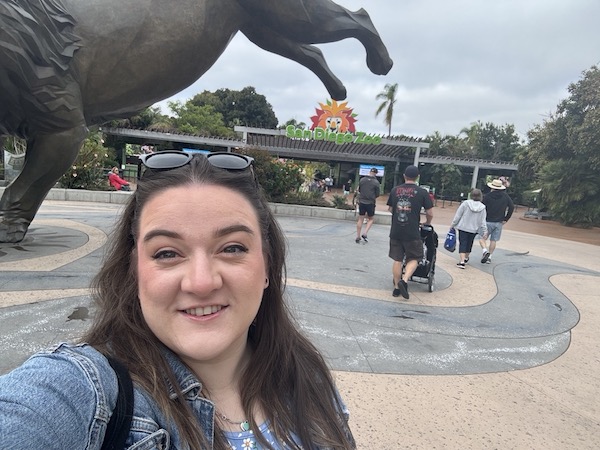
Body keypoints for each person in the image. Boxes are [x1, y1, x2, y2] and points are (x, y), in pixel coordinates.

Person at [0, 151, 355, 450]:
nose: (201, 282)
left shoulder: (309, 378)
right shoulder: (85, 390)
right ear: (134, 269)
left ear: (267, 266)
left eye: (232, 248)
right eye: (167, 253)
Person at [386, 165, 433, 299]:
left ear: (404, 176)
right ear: (417, 177)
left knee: (397, 259)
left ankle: (396, 288)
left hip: (396, 230)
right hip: (412, 231)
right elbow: (430, 212)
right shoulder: (422, 192)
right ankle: (405, 280)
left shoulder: (395, 190)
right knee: (415, 257)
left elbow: (390, 209)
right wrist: (427, 222)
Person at [479, 178, 515, 263]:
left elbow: (482, 208)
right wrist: (506, 218)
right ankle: (490, 257)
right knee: (493, 240)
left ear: (492, 187)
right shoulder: (505, 196)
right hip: (499, 222)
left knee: (482, 238)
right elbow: (512, 207)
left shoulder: (487, 196)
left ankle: (484, 251)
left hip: (487, 221)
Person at [451, 188, 488, 269]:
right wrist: (485, 231)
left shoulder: (465, 203)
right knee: (469, 243)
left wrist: (453, 224)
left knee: (463, 243)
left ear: (471, 195)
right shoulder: (482, 207)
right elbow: (483, 221)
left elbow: (458, 215)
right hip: (474, 228)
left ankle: (462, 261)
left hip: (463, 227)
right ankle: (466, 258)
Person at [355, 167, 380, 243]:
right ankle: (365, 233)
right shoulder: (376, 182)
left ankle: (358, 236)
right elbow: (377, 194)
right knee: (371, 219)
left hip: (361, 202)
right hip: (370, 203)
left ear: (369, 172)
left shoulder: (362, 180)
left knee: (360, 219)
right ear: (376, 173)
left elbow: (359, 190)